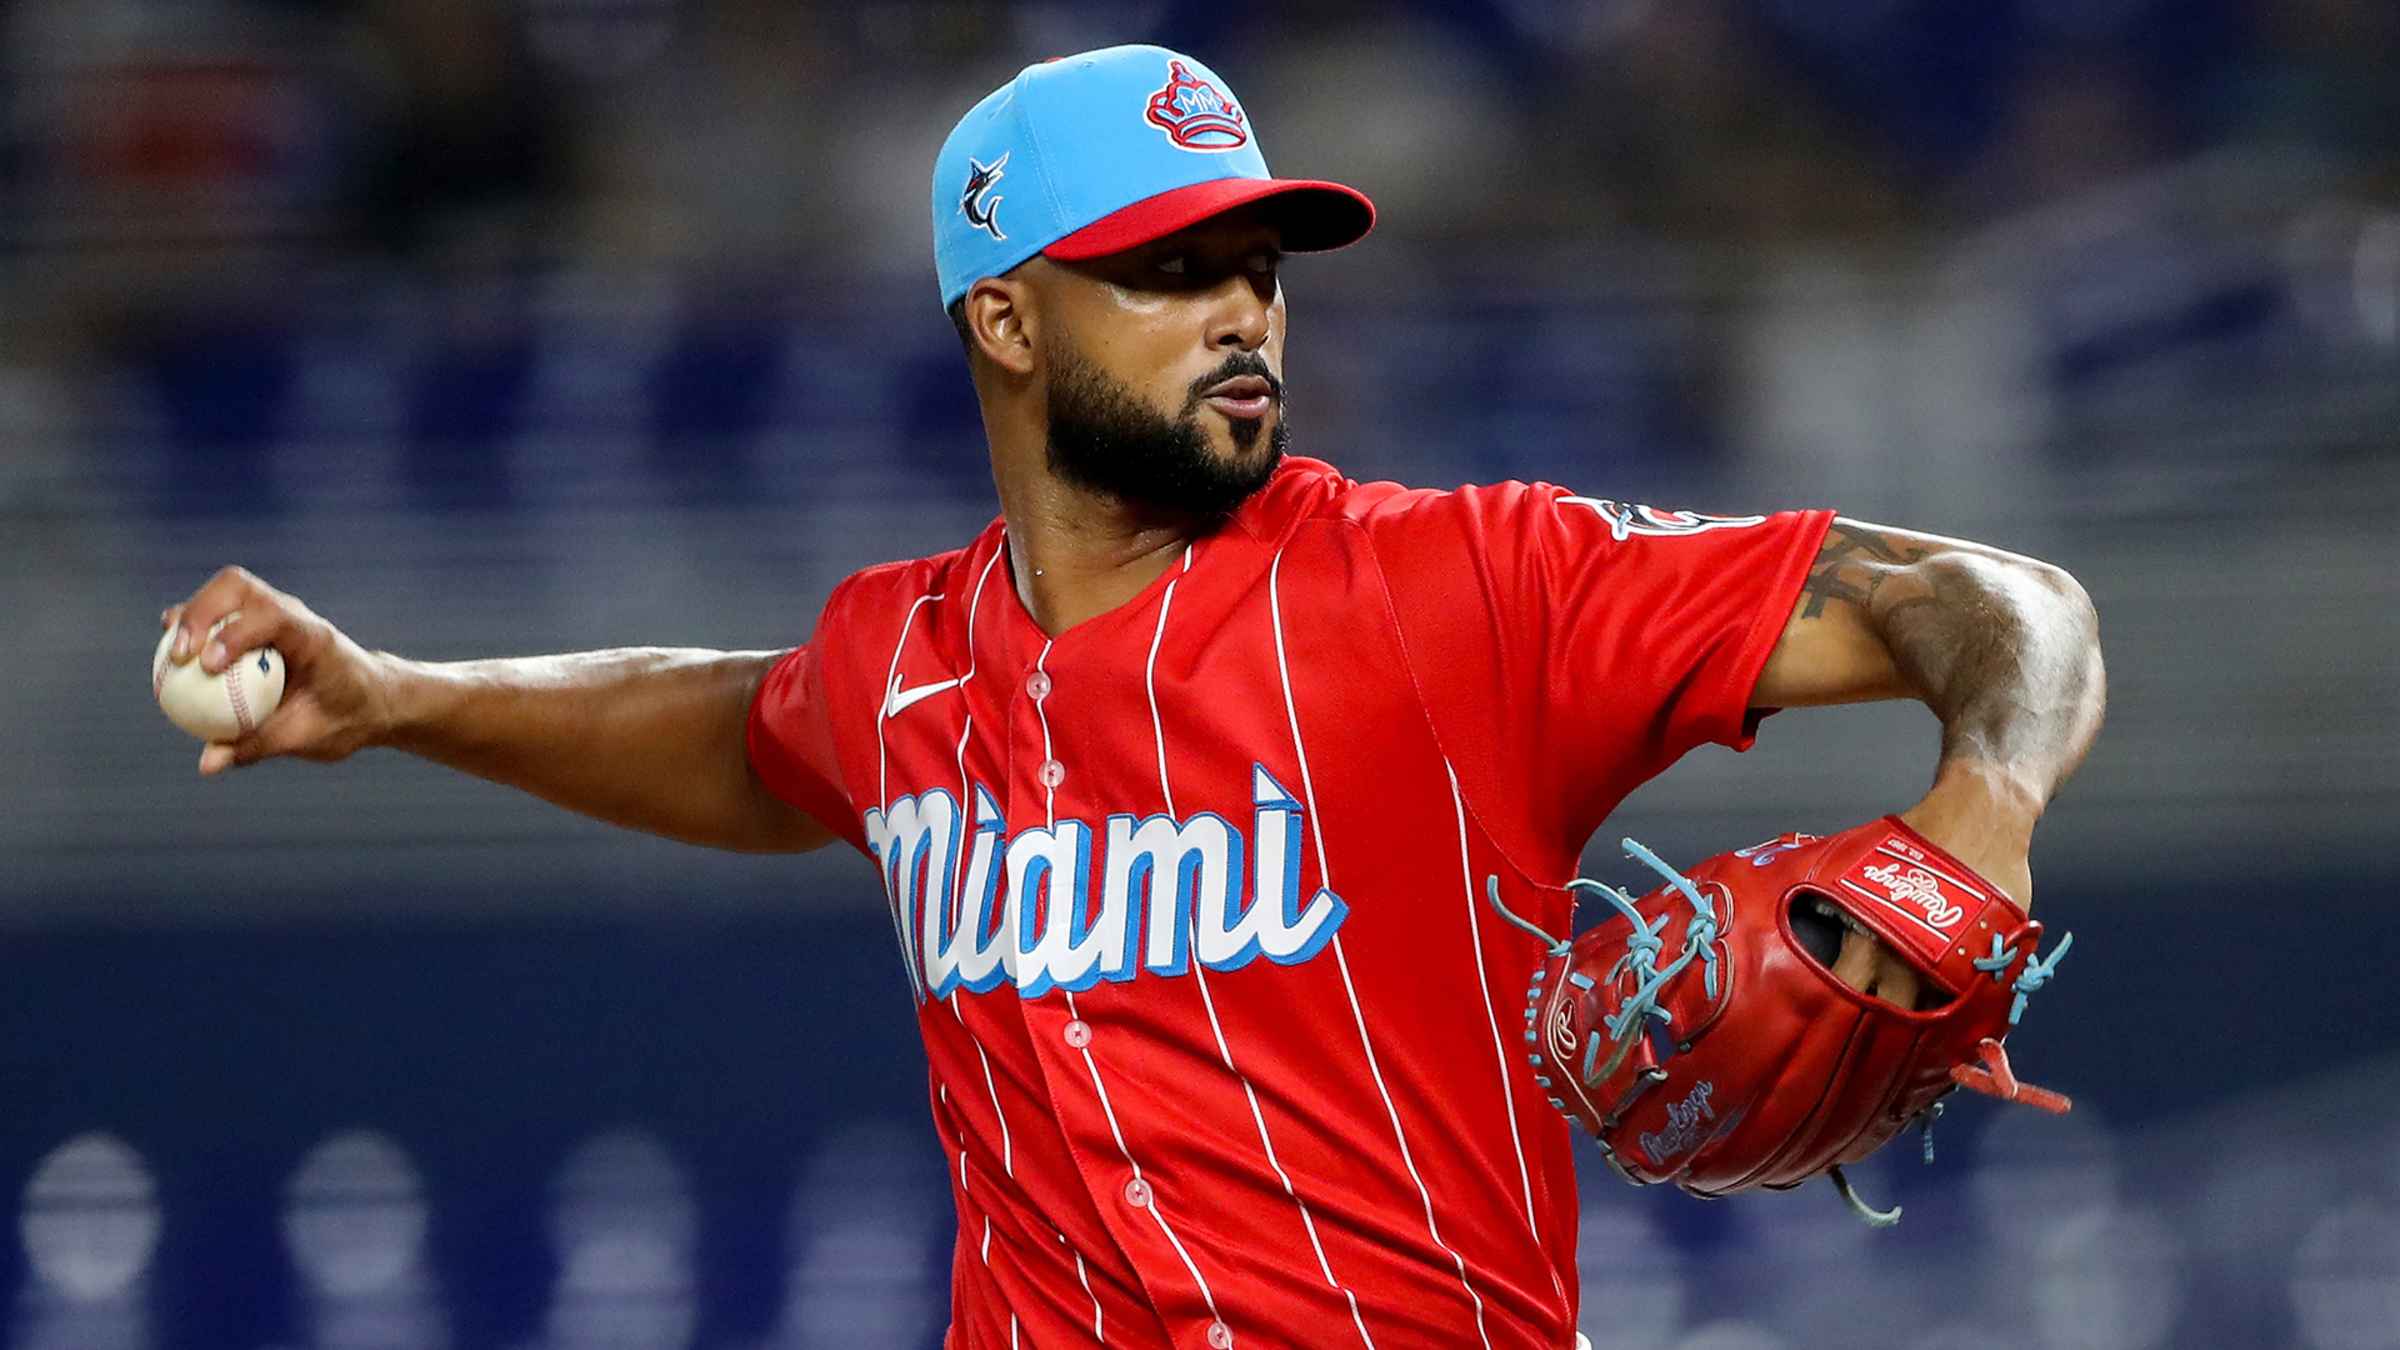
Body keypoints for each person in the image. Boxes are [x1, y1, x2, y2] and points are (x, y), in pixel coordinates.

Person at [162, 45, 2105, 1350]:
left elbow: (1996, 602)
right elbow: (741, 735)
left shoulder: (1468, 585)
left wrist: (1981, 811)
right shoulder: (898, 658)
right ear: (1004, 316)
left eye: (1258, 263)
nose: (1243, 308)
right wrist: (404, 697)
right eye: (1167, 269)